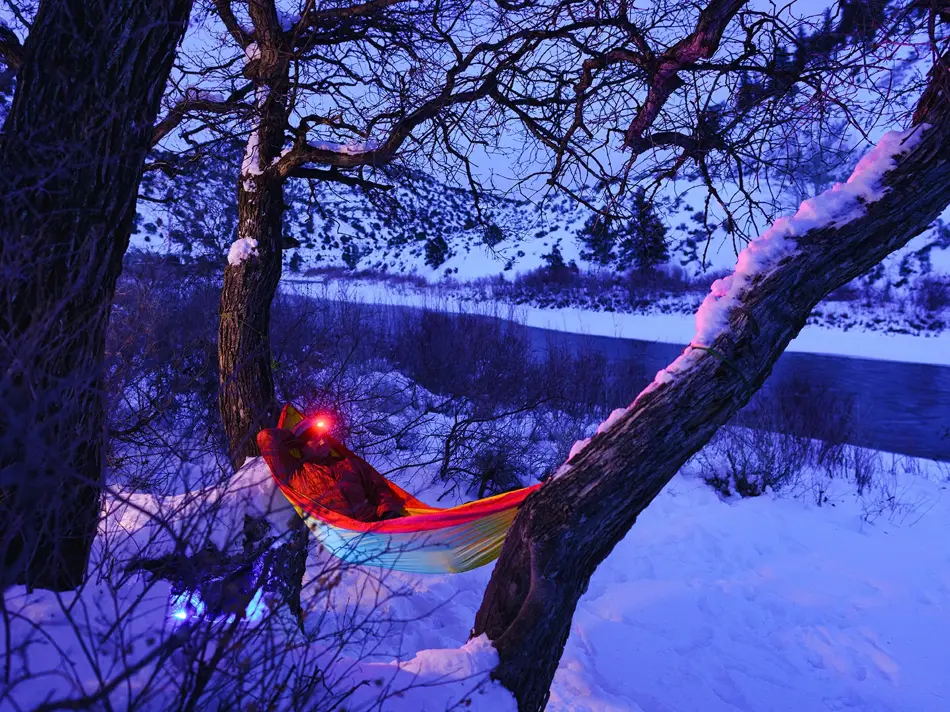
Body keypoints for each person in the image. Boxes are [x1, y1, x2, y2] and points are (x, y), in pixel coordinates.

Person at [257, 417, 406, 523]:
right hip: (339, 536)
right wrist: (295, 437)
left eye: (324, 438)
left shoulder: (348, 463)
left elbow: (378, 489)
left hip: (374, 527)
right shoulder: (297, 473)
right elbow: (265, 438)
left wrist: (388, 511)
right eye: (314, 439)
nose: (322, 442)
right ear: (301, 445)